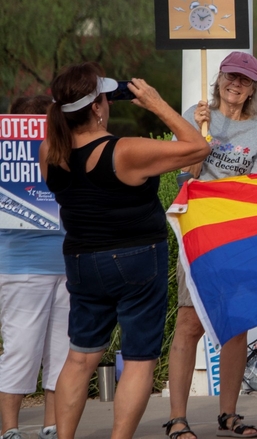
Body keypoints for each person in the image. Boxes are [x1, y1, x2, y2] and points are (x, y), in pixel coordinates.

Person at [39, 63, 210, 439]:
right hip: (135, 258)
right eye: (105, 98)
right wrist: (157, 104)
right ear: (98, 108)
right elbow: (198, 147)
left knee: (80, 357)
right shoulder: (124, 151)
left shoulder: (51, 150)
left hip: (81, 262)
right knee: (137, 360)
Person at [164, 52, 257, 439]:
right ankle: (177, 418)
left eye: (244, 80)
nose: (236, 85)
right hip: (197, 230)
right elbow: (187, 177)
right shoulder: (196, 113)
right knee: (189, 322)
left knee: (236, 325)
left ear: (252, 89)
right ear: (219, 79)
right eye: (231, 76)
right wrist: (198, 138)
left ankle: (228, 414)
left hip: (237, 235)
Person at [1, 96, 67, 439]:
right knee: (21, 350)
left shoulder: (65, 150)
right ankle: (10, 431)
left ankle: (52, 429)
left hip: (68, 264)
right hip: (21, 266)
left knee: (62, 356)